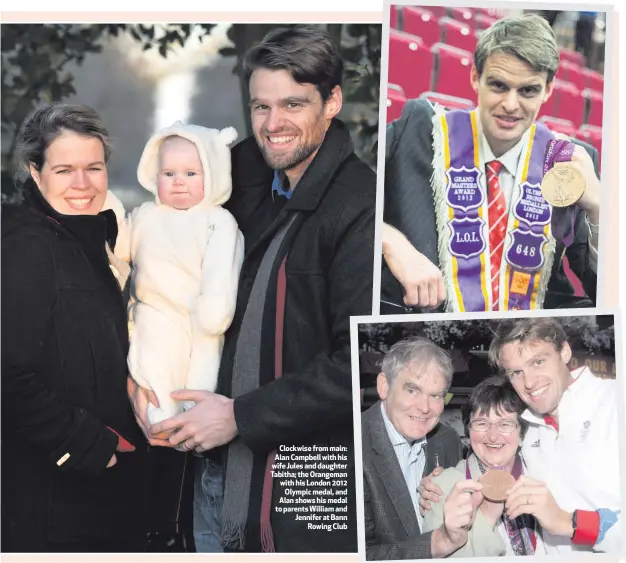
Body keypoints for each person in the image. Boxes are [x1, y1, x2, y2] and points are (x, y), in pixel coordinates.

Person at [131, 25, 376, 553]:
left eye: (293, 104)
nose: (273, 124)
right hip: (205, 466)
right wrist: (142, 385)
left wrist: (239, 416)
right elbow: (164, 266)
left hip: (300, 483)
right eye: (260, 107)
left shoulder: (360, 205)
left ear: (332, 101)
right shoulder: (236, 172)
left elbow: (361, 364)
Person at [1, 104, 151, 552]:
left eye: (94, 167)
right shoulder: (26, 245)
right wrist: (87, 444)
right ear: (35, 170)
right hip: (48, 502)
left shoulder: (86, 238)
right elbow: (6, 374)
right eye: (64, 169)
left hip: (98, 495)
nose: (83, 185)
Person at [380, 14, 600, 314]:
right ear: (475, 77)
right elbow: (343, 195)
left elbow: (606, 294)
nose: (510, 105)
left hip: (528, 338)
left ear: (548, 90)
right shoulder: (417, 130)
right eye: (498, 85)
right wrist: (391, 242)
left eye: (528, 90)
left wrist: (601, 210)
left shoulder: (569, 161)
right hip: (424, 334)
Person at [420, 317, 621, 554]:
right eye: (516, 372)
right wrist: (433, 485)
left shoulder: (615, 402)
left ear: (565, 352)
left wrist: (568, 523)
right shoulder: (528, 427)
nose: (530, 382)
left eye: (538, 362)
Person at [120, 121, 244, 430]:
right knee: (154, 365)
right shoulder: (147, 216)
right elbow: (121, 248)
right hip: (155, 312)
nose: (178, 182)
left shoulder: (217, 221)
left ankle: (191, 418)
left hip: (200, 318)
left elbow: (221, 268)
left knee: (200, 375)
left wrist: (215, 307)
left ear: (212, 176)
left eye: (191, 174)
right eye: (168, 174)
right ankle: (160, 418)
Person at [362, 337, 465, 560]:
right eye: (412, 390)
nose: (425, 408)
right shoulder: (352, 446)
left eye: (436, 395)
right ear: (384, 386)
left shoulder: (448, 440)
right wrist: (437, 543)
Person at [422, 375, 548, 556]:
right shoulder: (442, 486)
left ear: (522, 433)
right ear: (468, 431)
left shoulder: (542, 475)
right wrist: (486, 517)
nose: (492, 436)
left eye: (505, 424)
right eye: (481, 423)